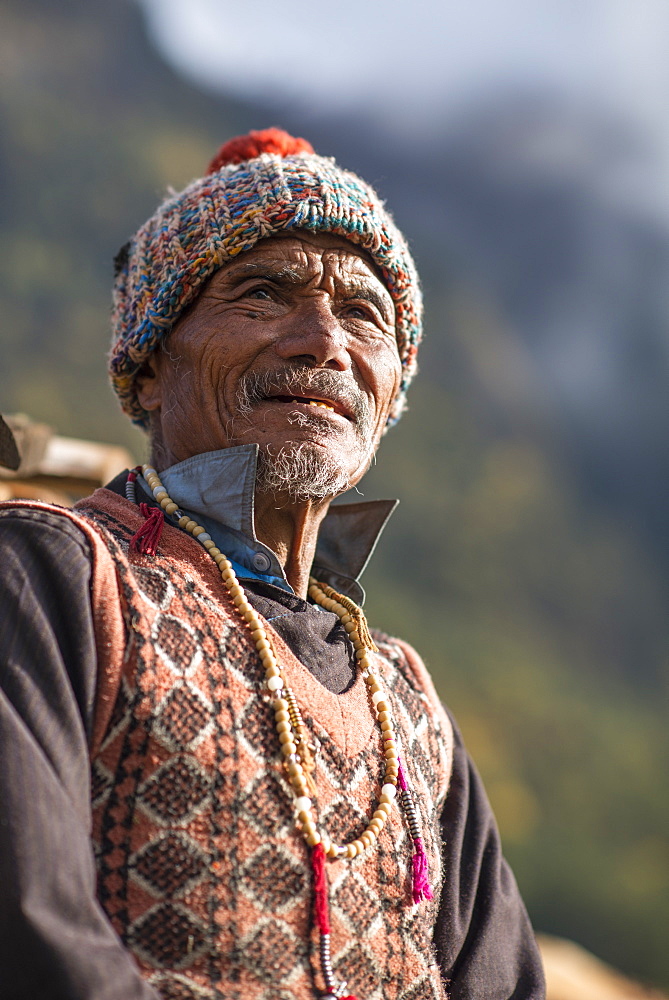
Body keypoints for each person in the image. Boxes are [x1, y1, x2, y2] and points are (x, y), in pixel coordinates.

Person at [0, 129, 545, 1000]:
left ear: (388, 390)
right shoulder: (51, 575)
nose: (322, 341)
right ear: (147, 366)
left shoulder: (409, 704)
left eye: (363, 314)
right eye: (261, 294)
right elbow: (30, 942)